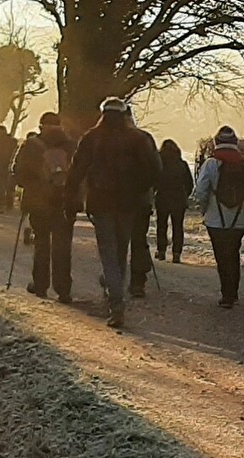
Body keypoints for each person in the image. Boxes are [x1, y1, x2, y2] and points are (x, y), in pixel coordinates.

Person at [64, 97, 159, 329]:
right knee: (120, 250)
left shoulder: (92, 138)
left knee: (108, 252)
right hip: (128, 204)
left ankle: (116, 302)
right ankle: (114, 291)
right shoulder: (138, 139)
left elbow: (77, 170)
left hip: (100, 202)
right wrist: (139, 191)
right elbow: (155, 171)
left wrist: (70, 198)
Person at [191, 126, 244, 308]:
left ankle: (226, 295)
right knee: (233, 252)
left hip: (216, 218)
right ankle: (233, 292)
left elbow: (200, 191)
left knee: (222, 256)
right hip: (240, 218)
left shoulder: (211, 164)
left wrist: (205, 209)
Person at [13, 112, 77, 302]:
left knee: (41, 242)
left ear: (41, 126)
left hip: (39, 201)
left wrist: (28, 187)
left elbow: (17, 171)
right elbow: (80, 172)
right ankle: (63, 289)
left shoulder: (31, 146)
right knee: (63, 245)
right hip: (65, 201)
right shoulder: (71, 145)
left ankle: (40, 285)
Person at [124, 106, 162, 298]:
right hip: (141, 200)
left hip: (112, 201)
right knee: (139, 240)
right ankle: (138, 282)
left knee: (115, 242)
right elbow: (157, 169)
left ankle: (113, 281)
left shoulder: (104, 138)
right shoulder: (144, 138)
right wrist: (147, 190)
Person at [154, 139, 193, 263]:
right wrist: (185, 195)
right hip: (178, 199)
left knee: (161, 225)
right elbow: (189, 184)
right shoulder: (182, 164)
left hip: (162, 198)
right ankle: (176, 253)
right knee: (178, 227)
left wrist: (154, 193)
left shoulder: (159, 164)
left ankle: (161, 251)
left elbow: (154, 181)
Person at [0, 126, 18, 211]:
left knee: (2, 186)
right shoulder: (10, 141)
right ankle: (7, 204)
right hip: (2, 166)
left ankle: (2, 204)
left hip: (3, 166)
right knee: (5, 186)